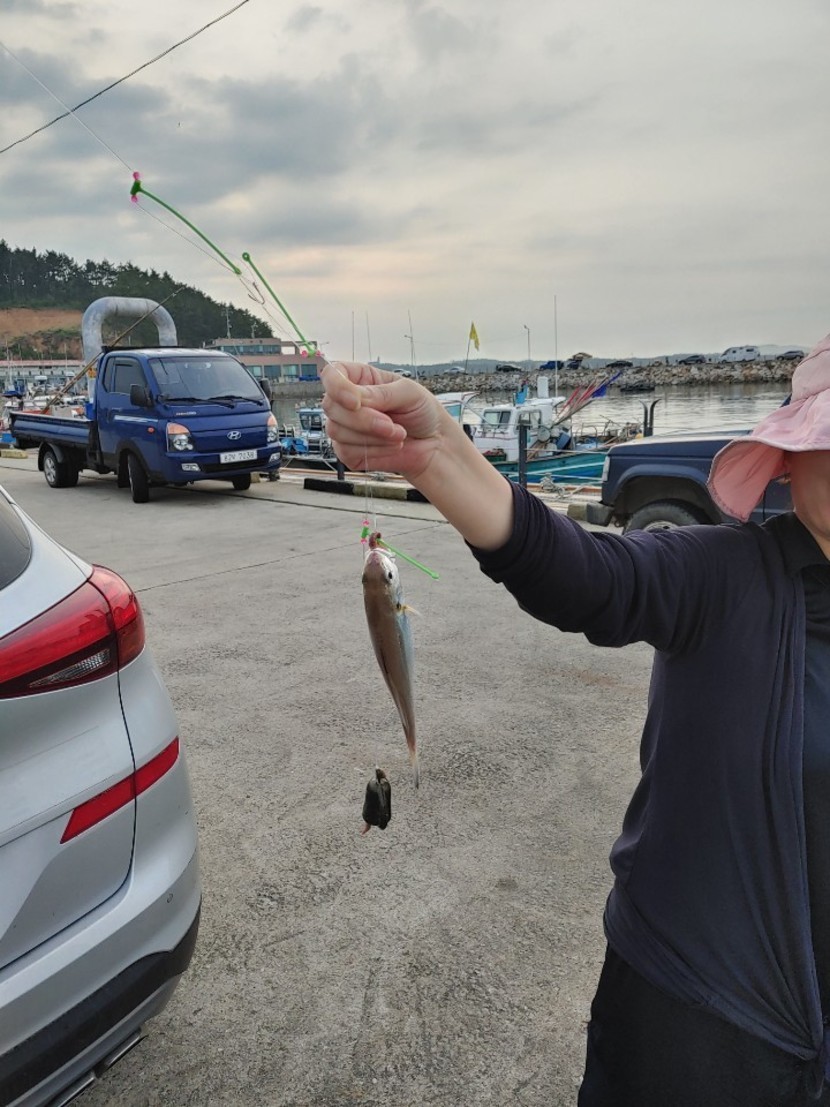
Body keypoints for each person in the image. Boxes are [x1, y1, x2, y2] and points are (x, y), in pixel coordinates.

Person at [321, 336, 830, 1107]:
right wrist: (438, 455)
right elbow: (591, 577)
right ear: (791, 459)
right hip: (690, 1031)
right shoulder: (724, 577)